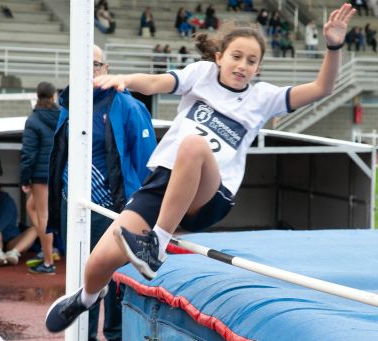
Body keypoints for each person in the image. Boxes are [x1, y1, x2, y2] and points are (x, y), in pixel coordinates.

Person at [45, 3, 356, 333]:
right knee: (99, 261)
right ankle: (87, 298)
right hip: (165, 182)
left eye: (252, 61)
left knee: (193, 145)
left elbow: (322, 88)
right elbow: (155, 82)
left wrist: (334, 46)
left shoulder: (263, 97)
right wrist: (125, 78)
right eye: (236, 56)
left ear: (258, 68)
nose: (242, 66)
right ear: (219, 57)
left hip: (210, 194)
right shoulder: (200, 75)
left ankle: (156, 246)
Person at [46, 45, 157, 340]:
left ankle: (115, 335)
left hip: (112, 210)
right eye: (82, 65)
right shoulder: (70, 106)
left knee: (116, 281)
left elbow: (148, 164)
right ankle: (85, 336)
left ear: (106, 69)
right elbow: (61, 155)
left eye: (95, 65)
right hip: (74, 207)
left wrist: (144, 213)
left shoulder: (130, 107)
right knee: (83, 280)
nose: (89, 71)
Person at [19, 81, 60, 274]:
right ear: (53, 96)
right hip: (56, 172)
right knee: (32, 207)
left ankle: (48, 261)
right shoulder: (62, 117)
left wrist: (25, 179)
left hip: (40, 175)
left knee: (43, 216)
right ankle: (48, 249)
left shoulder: (33, 120)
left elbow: (28, 153)